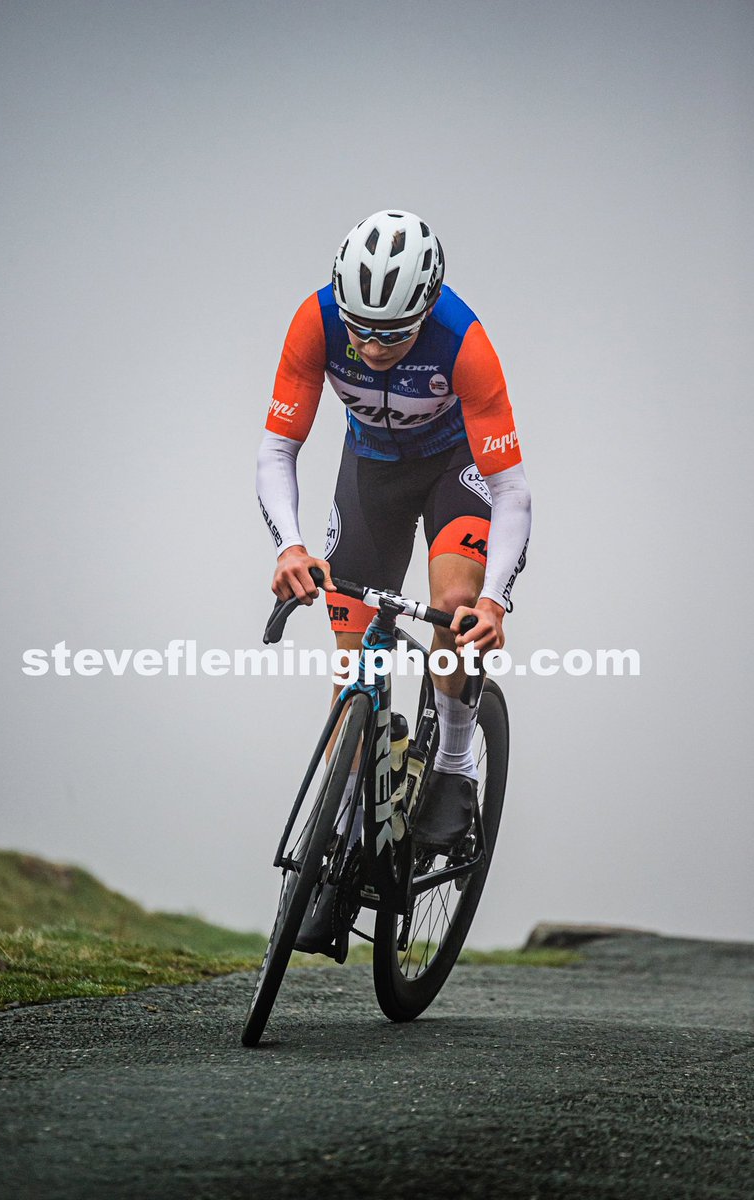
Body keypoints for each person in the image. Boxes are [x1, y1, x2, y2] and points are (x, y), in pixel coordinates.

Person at [256, 210, 531, 949]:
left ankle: (450, 765)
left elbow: (511, 492)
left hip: (454, 473)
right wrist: (289, 547)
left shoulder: (463, 342)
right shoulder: (315, 323)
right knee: (354, 663)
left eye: (394, 334)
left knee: (450, 608)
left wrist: (495, 601)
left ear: (428, 306)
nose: (374, 349)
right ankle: (340, 837)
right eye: (362, 331)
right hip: (369, 474)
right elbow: (276, 451)